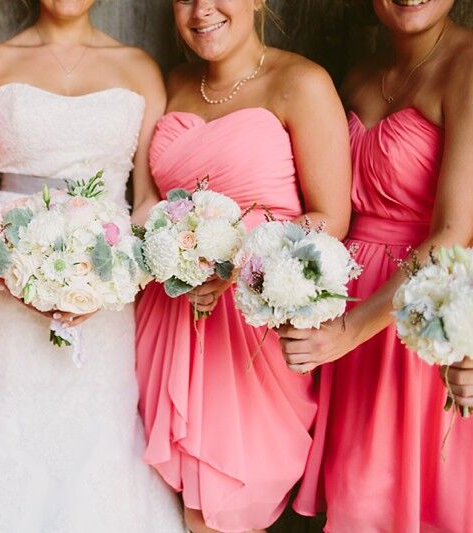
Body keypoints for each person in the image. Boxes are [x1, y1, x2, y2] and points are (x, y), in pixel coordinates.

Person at [0, 1, 186, 531]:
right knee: (7, 430)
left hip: (109, 290)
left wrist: (113, 280)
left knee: (95, 435)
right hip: (7, 288)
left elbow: (146, 201)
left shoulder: (140, 69)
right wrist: (13, 272)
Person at [135, 1, 352, 531]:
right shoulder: (174, 84)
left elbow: (332, 218)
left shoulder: (301, 83)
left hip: (250, 335)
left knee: (228, 511)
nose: (201, 10)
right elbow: (146, 207)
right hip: (167, 320)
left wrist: (236, 259)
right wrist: (175, 263)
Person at [277, 1, 473, 531]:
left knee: (401, 502)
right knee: (355, 497)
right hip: (346, 305)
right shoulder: (358, 73)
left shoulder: (468, 67)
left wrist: (351, 330)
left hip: (412, 315)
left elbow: (456, 232)